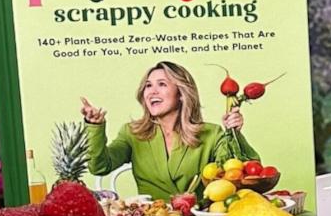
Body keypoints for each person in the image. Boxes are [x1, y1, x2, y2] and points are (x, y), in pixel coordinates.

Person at [81, 60, 260, 200]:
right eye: (148, 85)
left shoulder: (212, 134)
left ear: (181, 94)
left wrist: (234, 134)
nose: (152, 91)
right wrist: (95, 126)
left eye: (162, 84)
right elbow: (100, 166)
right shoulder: (132, 133)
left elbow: (241, 174)